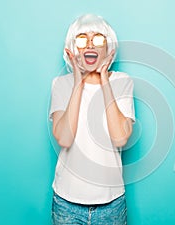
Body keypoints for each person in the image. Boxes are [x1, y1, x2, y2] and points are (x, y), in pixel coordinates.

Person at [49, 13, 135, 225]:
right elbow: (64, 139)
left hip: (112, 204)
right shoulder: (61, 84)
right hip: (66, 204)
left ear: (108, 48)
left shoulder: (122, 82)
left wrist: (104, 79)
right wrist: (79, 81)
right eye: (81, 39)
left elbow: (120, 138)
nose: (89, 44)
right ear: (72, 48)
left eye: (97, 39)